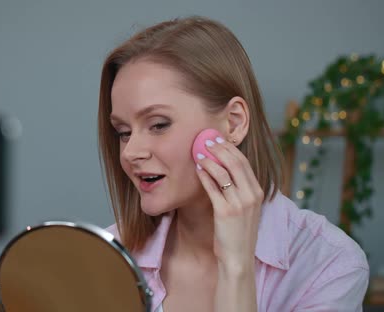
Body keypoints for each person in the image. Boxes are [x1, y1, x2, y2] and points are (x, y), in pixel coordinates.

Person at [99, 17, 369, 312]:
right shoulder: (107, 256)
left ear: (233, 123)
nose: (130, 152)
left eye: (159, 125)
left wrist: (236, 266)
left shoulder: (328, 264)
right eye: (123, 133)